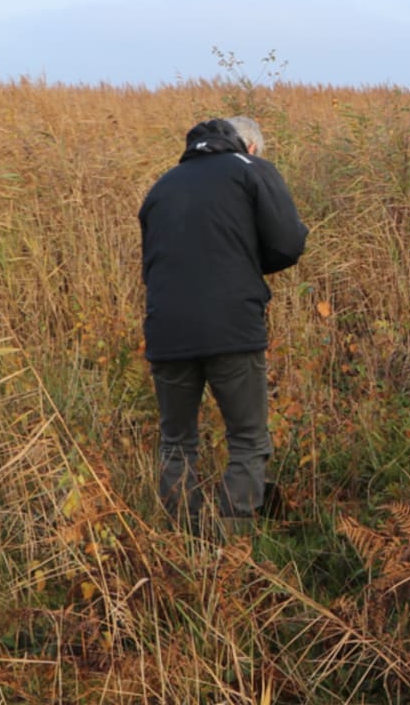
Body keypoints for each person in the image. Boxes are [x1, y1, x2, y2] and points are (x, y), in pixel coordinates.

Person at [139, 115, 308, 536]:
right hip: (232, 327)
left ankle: (181, 545)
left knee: (177, 443)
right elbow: (289, 242)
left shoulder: (162, 186)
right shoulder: (250, 170)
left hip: (166, 329)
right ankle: (231, 549)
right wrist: (249, 265)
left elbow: (151, 263)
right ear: (249, 147)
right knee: (248, 439)